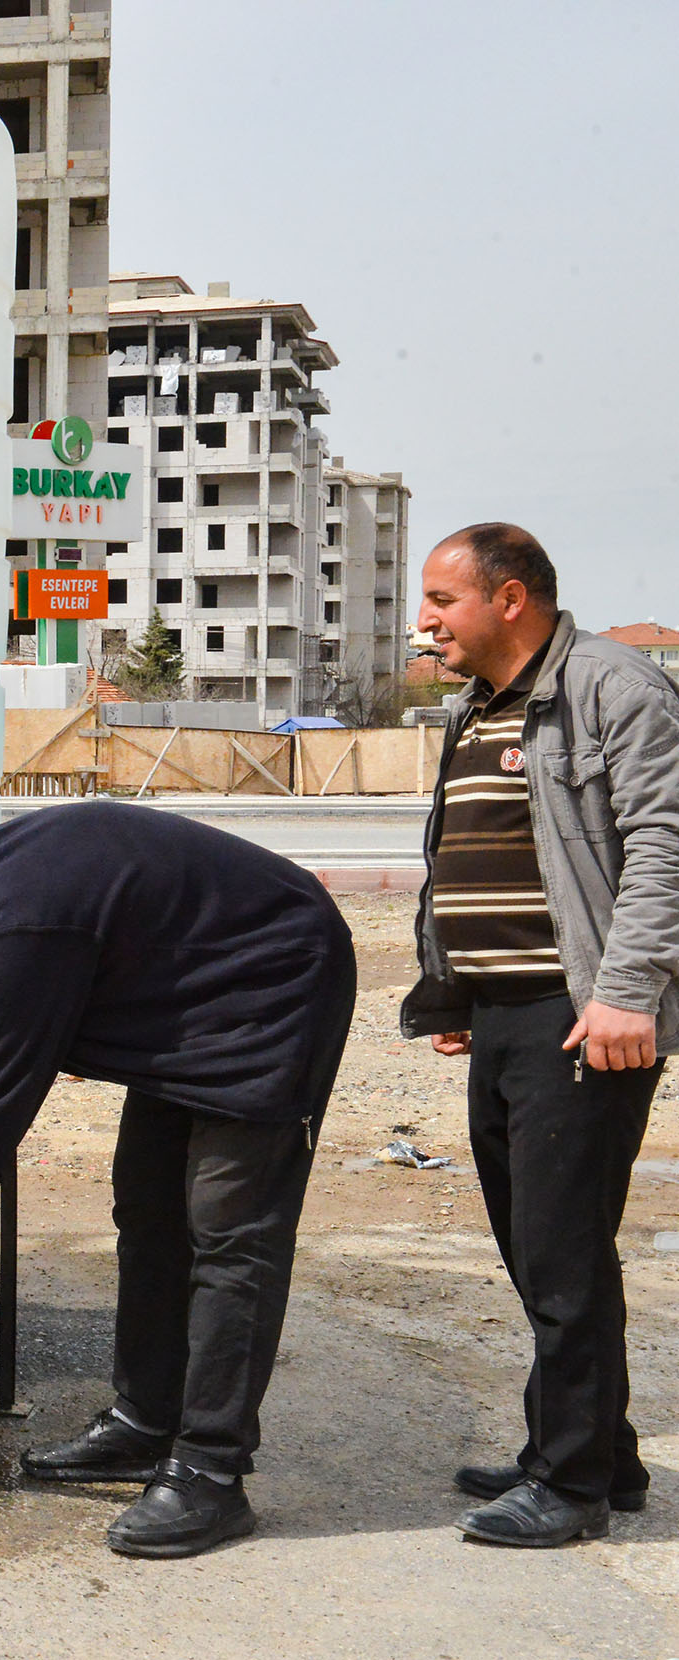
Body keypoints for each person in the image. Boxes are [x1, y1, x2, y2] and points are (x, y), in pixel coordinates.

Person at [0, 800, 354, 1559]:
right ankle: (145, 1422)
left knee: (231, 1234)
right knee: (148, 1209)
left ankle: (211, 1472)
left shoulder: (15, 928)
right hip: (180, 1003)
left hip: (271, 982)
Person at [402, 522, 679, 1548]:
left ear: (508, 598)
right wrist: (453, 990)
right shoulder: (477, 706)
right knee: (539, 1246)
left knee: (560, 1251)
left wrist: (625, 993)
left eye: (441, 599)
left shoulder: (613, 687)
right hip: (506, 1013)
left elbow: (664, 845)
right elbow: (468, 853)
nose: (425, 619)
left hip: (584, 1014)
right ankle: (600, 1448)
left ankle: (568, 1486)